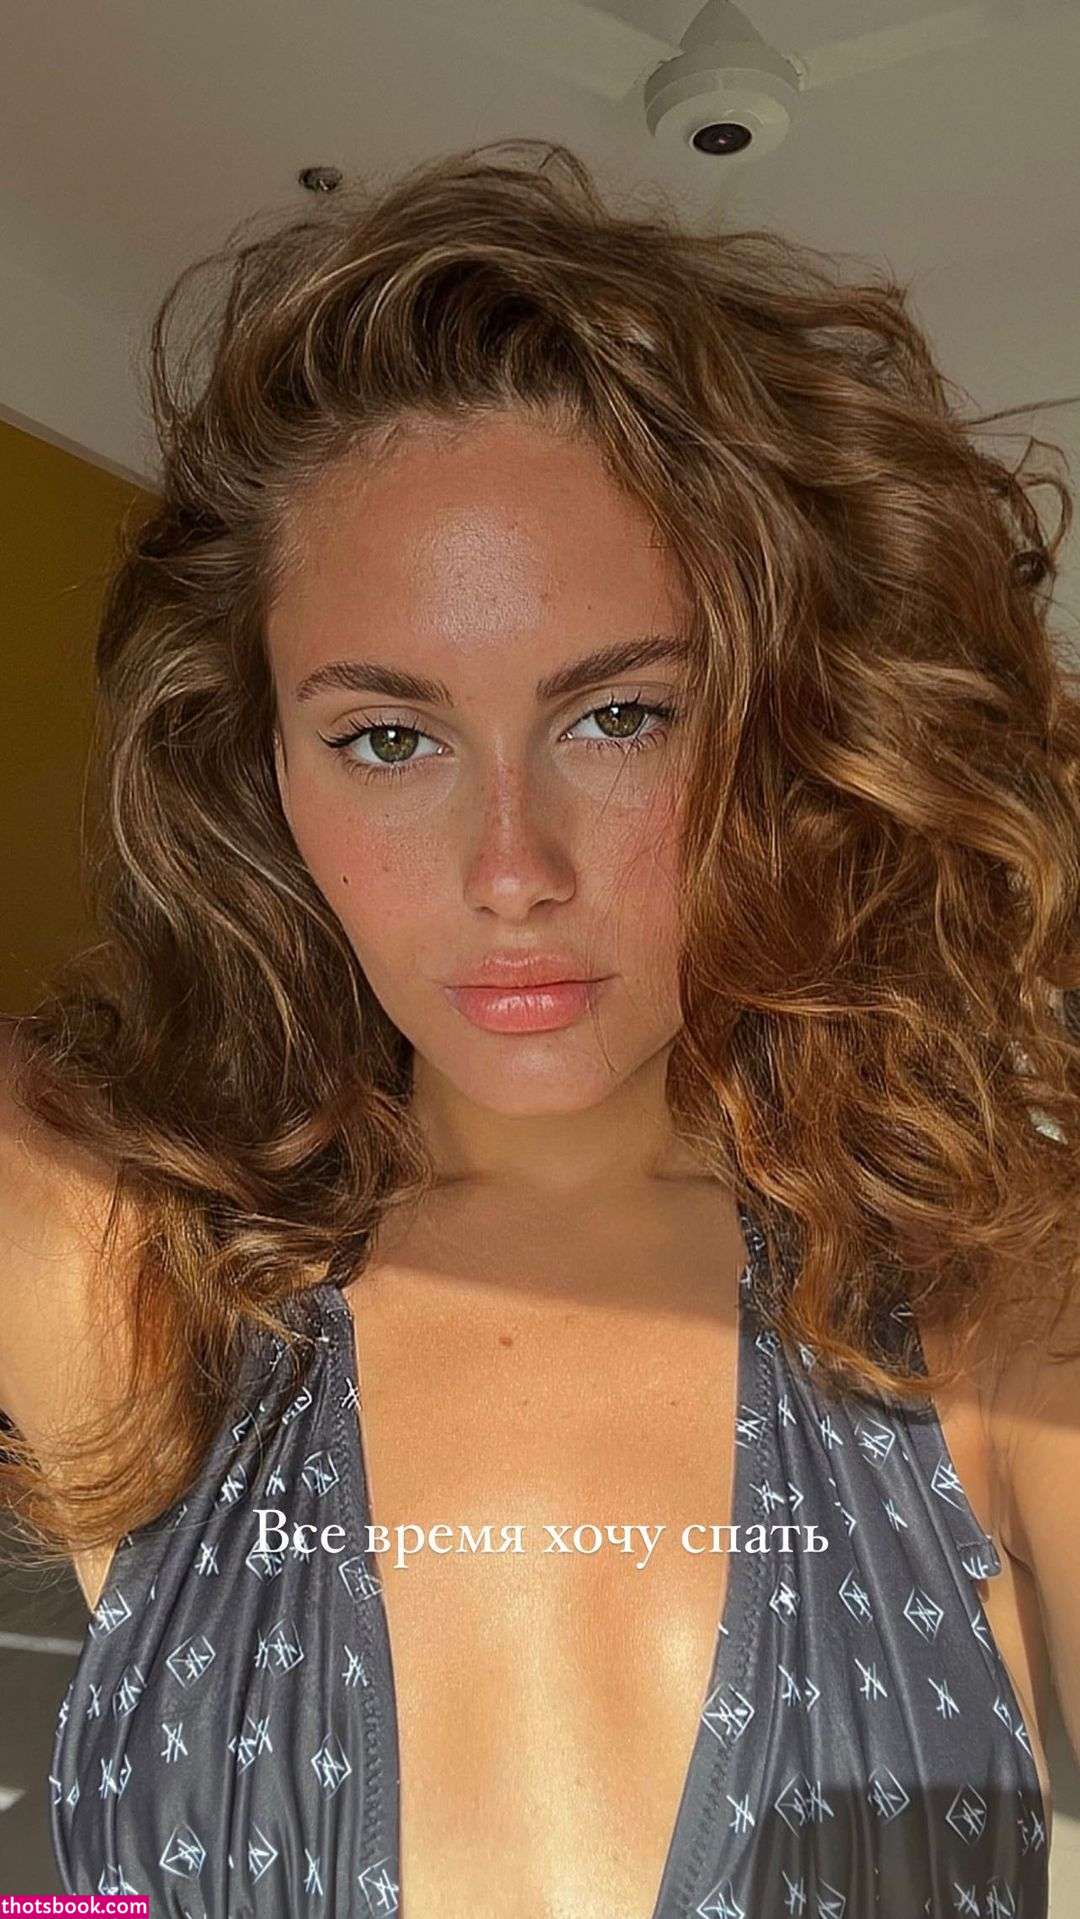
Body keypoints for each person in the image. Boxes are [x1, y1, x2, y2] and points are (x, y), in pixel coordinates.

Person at [1, 138, 1078, 1918]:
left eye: (620, 717)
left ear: (783, 726)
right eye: (389, 739)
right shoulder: (117, 1255)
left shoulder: (998, 1306)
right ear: (261, 771)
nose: (515, 871)